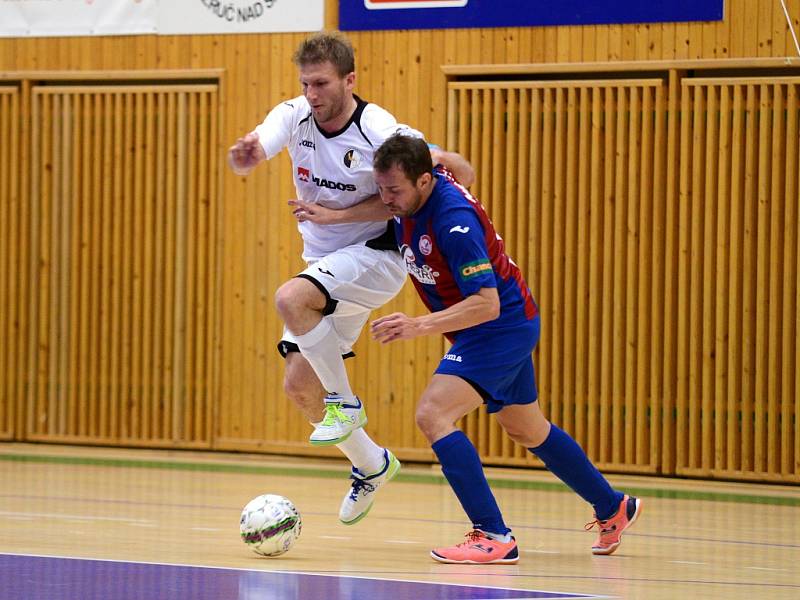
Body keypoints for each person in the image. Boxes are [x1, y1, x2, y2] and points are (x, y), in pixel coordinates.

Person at [226, 31, 474, 526]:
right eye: (306, 84)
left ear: (349, 80)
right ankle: (371, 464)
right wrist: (251, 152)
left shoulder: (377, 127)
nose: (312, 94)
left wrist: (442, 159)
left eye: (321, 83)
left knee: (291, 298)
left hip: (377, 258)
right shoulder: (294, 115)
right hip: (327, 269)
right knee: (299, 387)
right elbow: (264, 139)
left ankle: (346, 402)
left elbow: (458, 172)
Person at [365, 134, 642, 564]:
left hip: (498, 325)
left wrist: (418, 325)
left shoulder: (454, 223)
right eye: (381, 188)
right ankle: (613, 506)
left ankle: (493, 534)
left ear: (423, 181)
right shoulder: (427, 181)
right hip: (496, 325)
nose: (386, 199)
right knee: (527, 429)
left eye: (394, 190)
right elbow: (464, 169)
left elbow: (485, 302)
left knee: (432, 413)